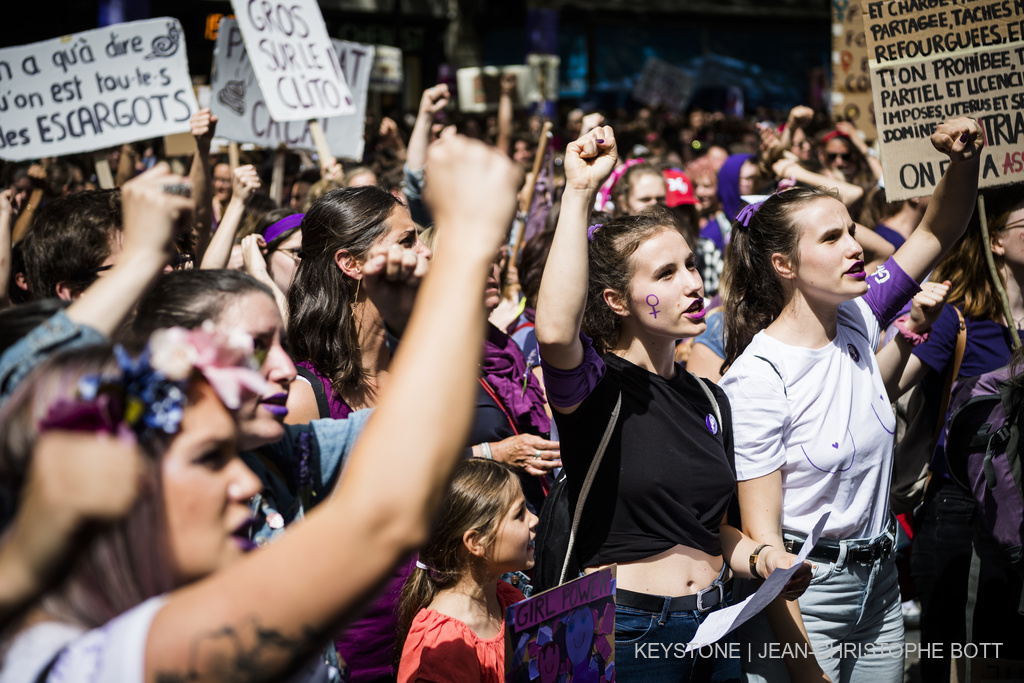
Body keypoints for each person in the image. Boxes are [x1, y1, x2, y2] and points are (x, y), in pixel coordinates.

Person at [0, 133, 522, 683]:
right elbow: (379, 517)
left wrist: (402, 326)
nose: (246, 487)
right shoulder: (84, 659)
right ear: (90, 483)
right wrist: (464, 244)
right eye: (205, 458)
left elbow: (417, 438)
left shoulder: (271, 455)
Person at [536, 125, 809, 681]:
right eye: (666, 273)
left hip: (717, 628)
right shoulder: (594, 388)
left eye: (689, 264)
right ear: (616, 300)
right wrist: (578, 192)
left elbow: (712, 529)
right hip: (629, 635)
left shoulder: (709, 396)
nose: (691, 282)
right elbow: (555, 330)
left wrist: (763, 560)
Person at [720, 117, 982, 683]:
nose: (855, 246)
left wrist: (962, 161)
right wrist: (804, 669)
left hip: (880, 585)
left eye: (851, 230)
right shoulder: (759, 379)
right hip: (802, 602)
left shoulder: (858, 317)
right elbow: (767, 552)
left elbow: (936, 233)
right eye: (831, 238)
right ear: (784, 266)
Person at [893, 186, 1024, 682]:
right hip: (962, 514)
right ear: (995, 242)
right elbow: (889, 386)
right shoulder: (960, 317)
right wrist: (914, 327)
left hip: (1022, 515)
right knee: (957, 658)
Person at [395, 459, 537, 682]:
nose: (534, 520)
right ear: (476, 542)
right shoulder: (445, 641)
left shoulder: (510, 600)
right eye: (519, 514)